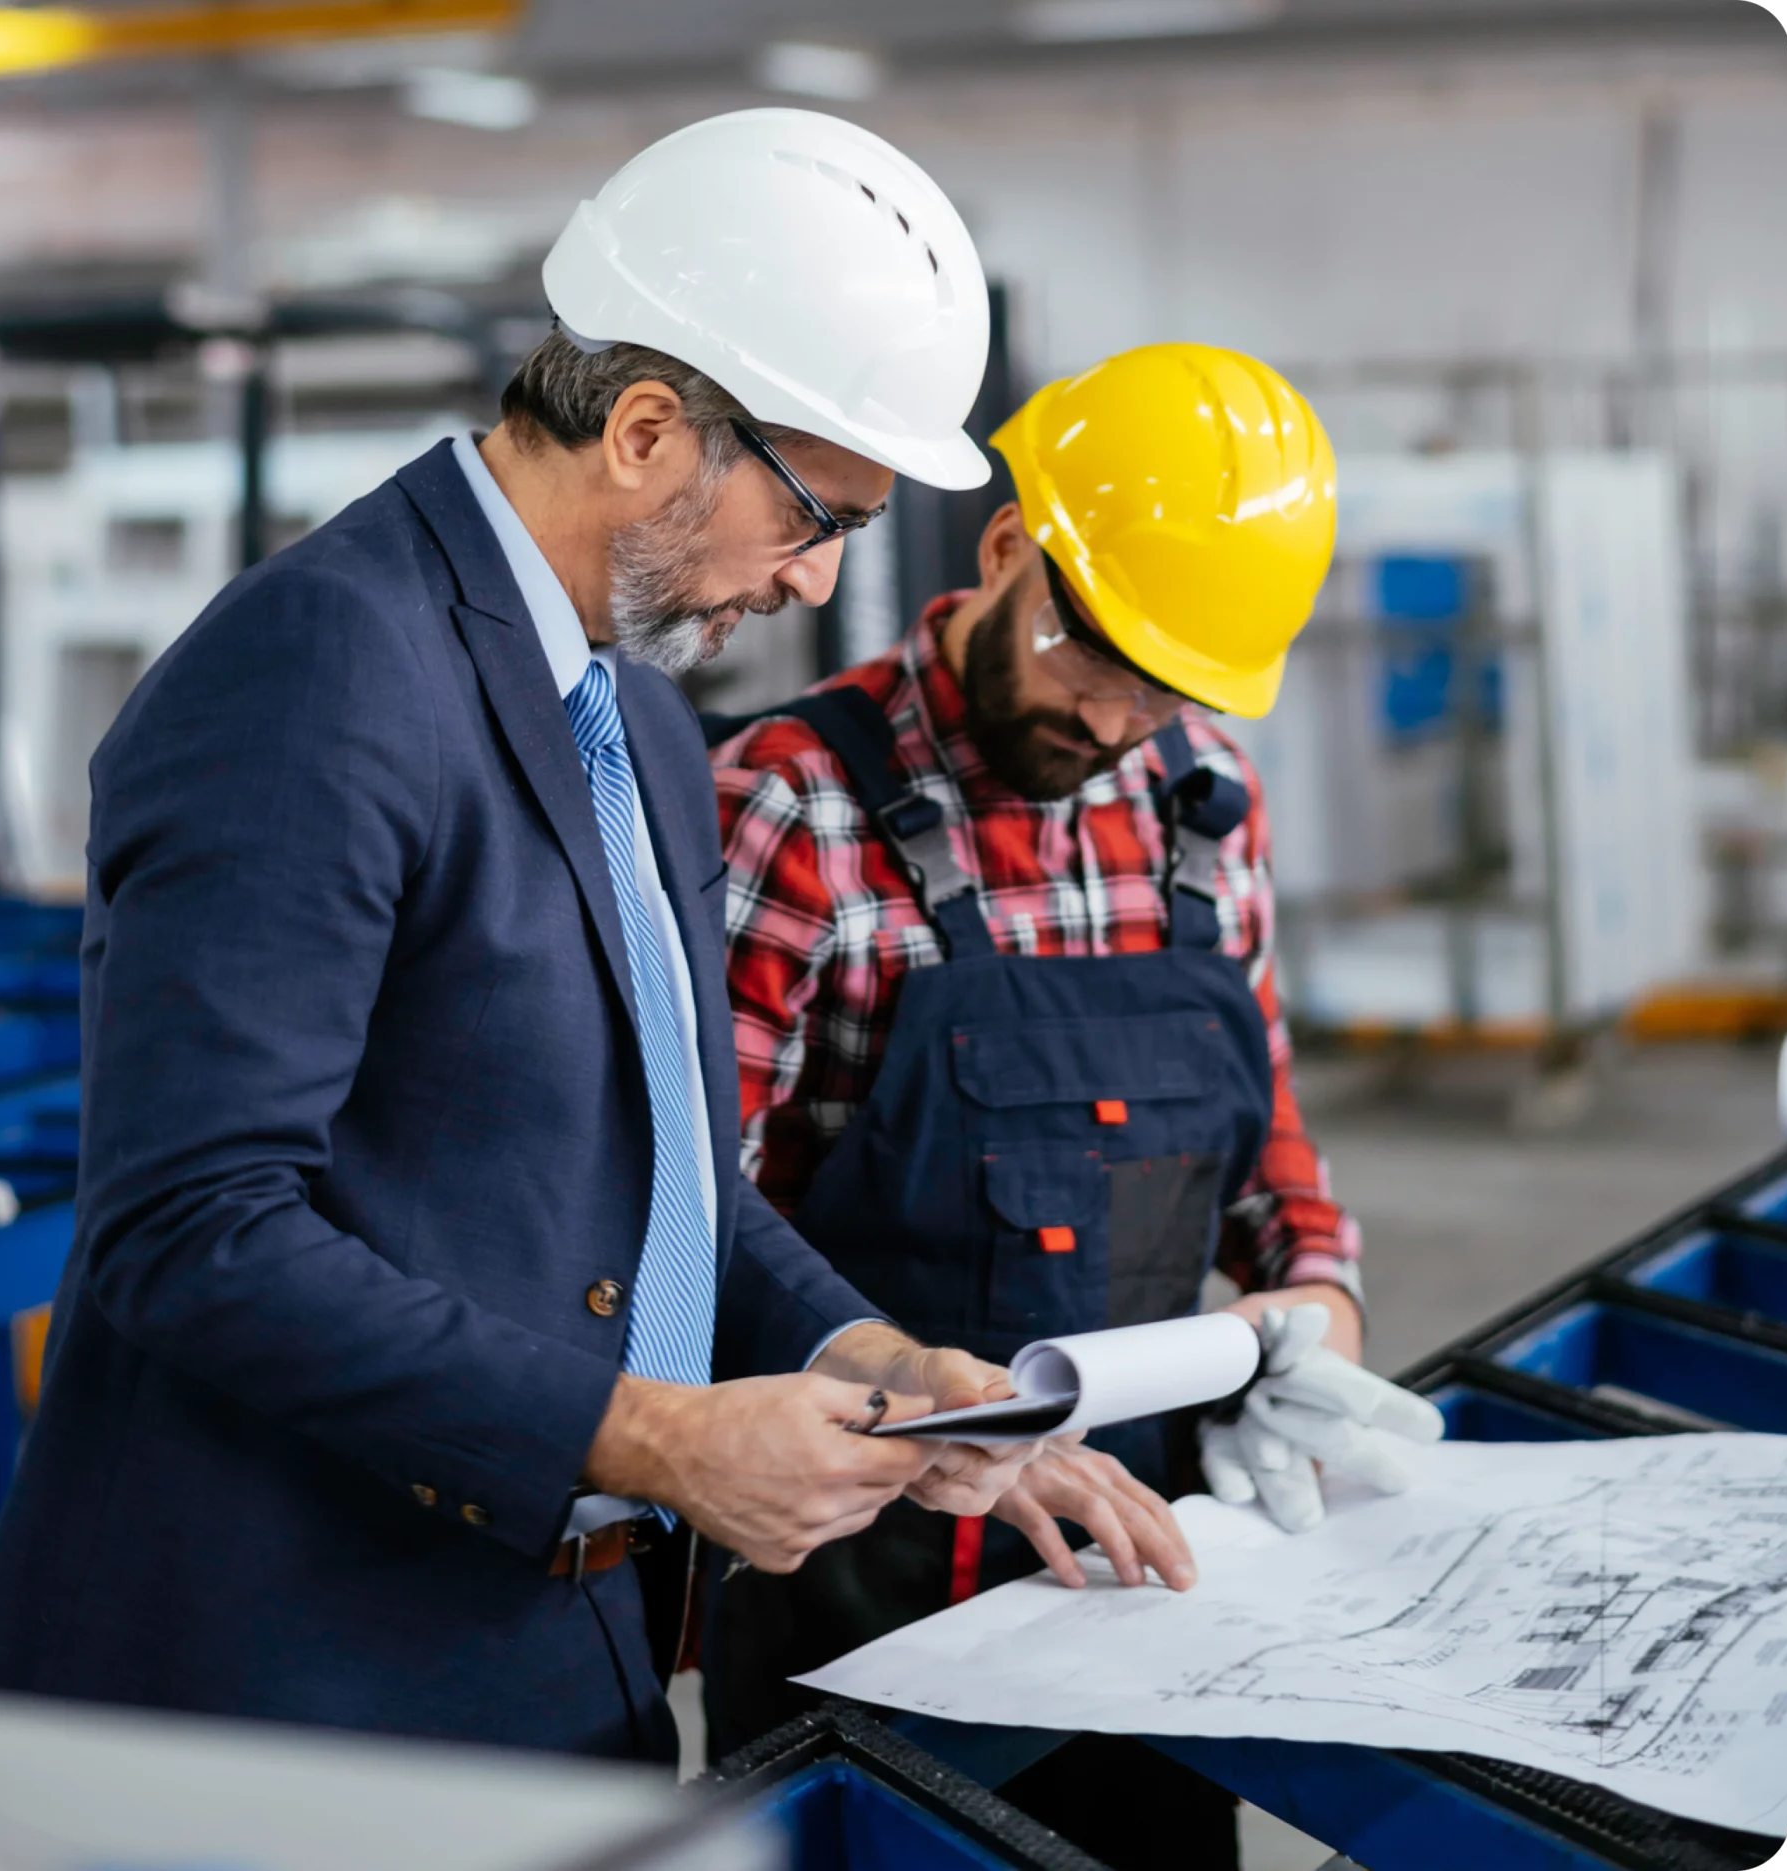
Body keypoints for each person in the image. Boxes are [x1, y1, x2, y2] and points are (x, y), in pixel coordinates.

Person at [0, 108, 1095, 1763]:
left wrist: (886, 1358)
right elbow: (190, 1226)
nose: (820, 585)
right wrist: (656, 1438)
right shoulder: (322, 673)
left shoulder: (639, 721)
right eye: (815, 516)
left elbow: (670, 1189)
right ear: (642, 432)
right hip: (279, 1698)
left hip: (556, 1642)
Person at [704, 343, 1442, 1861]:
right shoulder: (791, 803)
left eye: (1164, 684)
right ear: (1003, 548)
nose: (1115, 721)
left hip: (1142, 1577)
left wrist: (1319, 1299)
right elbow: (686, 1226)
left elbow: (1265, 1134)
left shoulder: (1202, 803)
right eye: (1093, 654)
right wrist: (907, 1405)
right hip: (857, 1587)